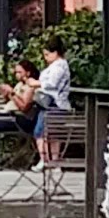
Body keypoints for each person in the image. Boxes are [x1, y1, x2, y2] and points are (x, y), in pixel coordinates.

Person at [33, 37, 73, 171]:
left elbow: (51, 84)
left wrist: (36, 83)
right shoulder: (59, 65)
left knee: (40, 132)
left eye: (47, 54)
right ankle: (54, 161)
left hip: (53, 103)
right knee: (54, 134)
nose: (45, 58)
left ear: (55, 52)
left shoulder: (59, 66)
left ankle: (45, 160)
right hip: (57, 104)